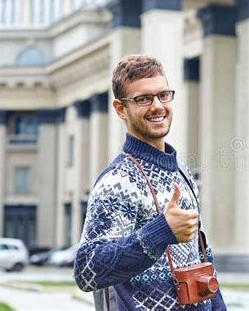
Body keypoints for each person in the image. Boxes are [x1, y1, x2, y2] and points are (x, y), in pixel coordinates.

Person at [74, 54, 226, 310]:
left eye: (163, 95)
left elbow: (202, 261)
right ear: (121, 109)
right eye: (143, 99)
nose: (157, 106)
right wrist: (161, 231)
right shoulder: (117, 182)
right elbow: (87, 271)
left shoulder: (182, 173)